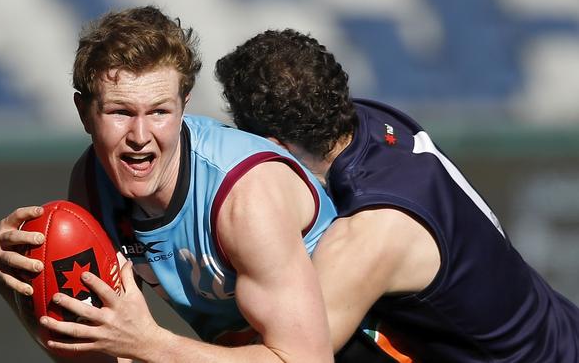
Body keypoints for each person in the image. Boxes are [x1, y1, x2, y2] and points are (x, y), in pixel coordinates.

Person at [0, 7, 342, 363]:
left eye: (159, 112)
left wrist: (152, 344)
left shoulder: (244, 194)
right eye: (120, 112)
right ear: (84, 113)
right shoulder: (93, 183)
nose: (140, 136)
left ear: (184, 106)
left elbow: (305, 359)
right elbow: (103, 354)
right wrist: (12, 288)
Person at [215, 28, 579, 362]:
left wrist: (161, 343)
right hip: (563, 330)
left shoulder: (368, 235)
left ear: (273, 145)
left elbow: (292, 356)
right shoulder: (370, 118)